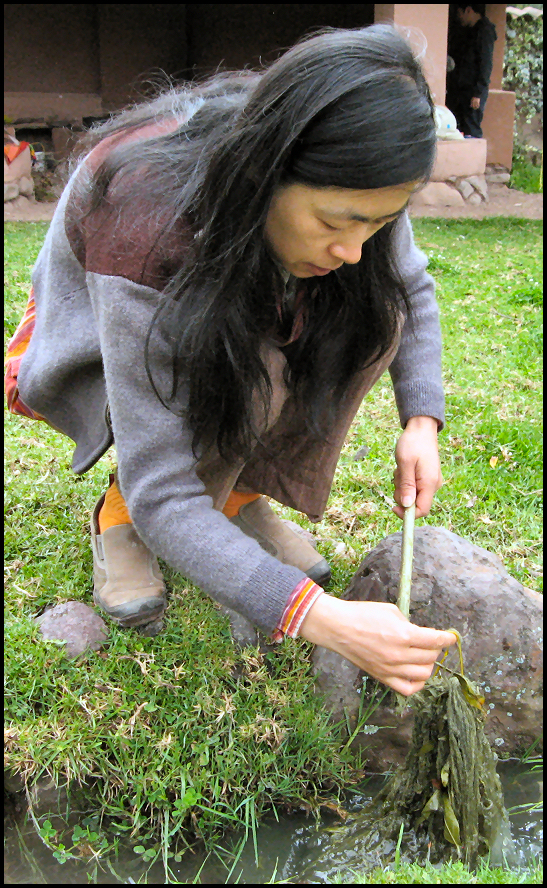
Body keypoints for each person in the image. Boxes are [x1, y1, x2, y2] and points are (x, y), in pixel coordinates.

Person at [5, 24, 457, 698]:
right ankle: (117, 517)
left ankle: (238, 495)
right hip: (103, 330)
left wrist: (420, 419)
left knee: (367, 309)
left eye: (376, 222)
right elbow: (167, 489)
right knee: (241, 373)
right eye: (335, 223)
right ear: (265, 172)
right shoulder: (144, 227)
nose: (355, 246)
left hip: (233, 280)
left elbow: (408, 284)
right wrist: (318, 618)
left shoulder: (354, 170)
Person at [446, 4, 497, 138]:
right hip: (461, 88)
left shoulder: (485, 31)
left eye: (460, 13)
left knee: (471, 127)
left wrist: (478, 93)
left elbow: (485, 64)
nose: (459, 18)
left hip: (473, 91)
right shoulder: (470, 30)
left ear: (468, 10)